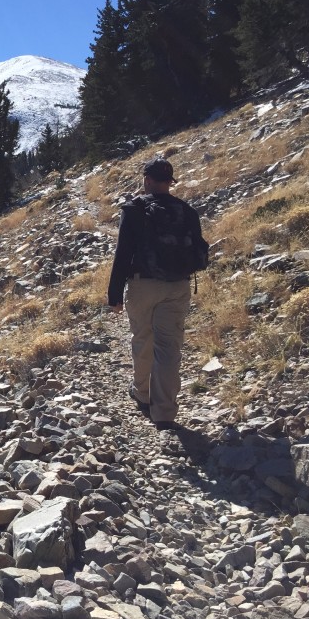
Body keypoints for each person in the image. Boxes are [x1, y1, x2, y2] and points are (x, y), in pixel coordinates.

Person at [108, 156, 205, 431]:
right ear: (169, 182)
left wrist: (114, 293)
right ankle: (164, 413)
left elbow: (123, 252)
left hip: (143, 285)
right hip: (178, 286)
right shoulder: (186, 210)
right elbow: (198, 250)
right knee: (169, 347)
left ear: (147, 181)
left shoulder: (135, 209)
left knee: (142, 338)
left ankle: (143, 394)